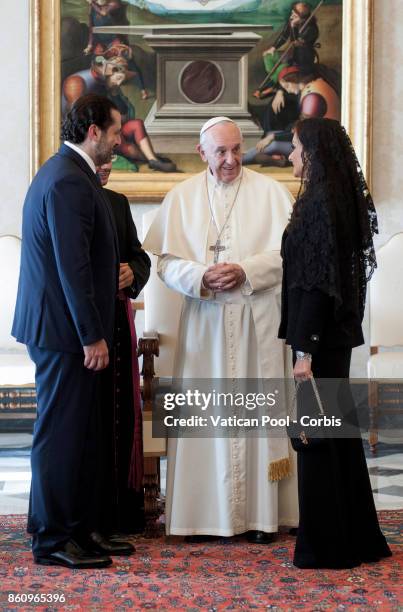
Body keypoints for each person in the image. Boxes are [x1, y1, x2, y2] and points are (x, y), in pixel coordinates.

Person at [143, 116, 298, 542]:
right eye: (221, 152)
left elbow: (289, 256)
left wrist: (245, 270)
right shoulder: (181, 197)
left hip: (256, 321)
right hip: (205, 325)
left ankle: (261, 519)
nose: (231, 160)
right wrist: (200, 276)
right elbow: (166, 262)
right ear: (202, 153)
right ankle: (202, 516)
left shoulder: (271, 193)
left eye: (236, 150)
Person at [12, 94, 134, 569]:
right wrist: (91, 334)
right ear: (93, 131)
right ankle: (52, 538)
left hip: (66, 329)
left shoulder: (71, 173)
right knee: (61, 434)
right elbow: (73, 268)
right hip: (63, 333)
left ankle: (81, 530)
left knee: (81, 434)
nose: (120, 142)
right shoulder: (67, 180)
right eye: (116, 132)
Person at [279, 117, 392, 568]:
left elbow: (313, 284)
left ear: (313, 153)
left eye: (294, 147)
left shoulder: (316, 206)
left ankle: (324, 546)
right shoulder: (338, 201)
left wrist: (303, 351)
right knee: (339, 438)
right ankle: (359, 538)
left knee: (317, 442)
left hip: (318, 341)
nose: (290, 156)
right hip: (336, 339)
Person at [96, 161, 151, 534]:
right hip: (83, 329)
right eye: (99, 159)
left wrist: (133, 272)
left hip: (116, 321)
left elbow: (140, 256)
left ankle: (122, 515)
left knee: (120, 418)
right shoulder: (68, 198)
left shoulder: (117, 202)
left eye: (109, 160)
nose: (105, 167)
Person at [244, 65, 340, 166]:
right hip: (311, 139)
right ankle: (279, 160)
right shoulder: (312, 87)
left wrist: (273, 137)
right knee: (270, 135)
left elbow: (305, 133)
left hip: (317, 148)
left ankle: (243, 159)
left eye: (287, 86)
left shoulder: (311, 97)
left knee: (273, 144)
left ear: (294, 80)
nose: (288, 91)